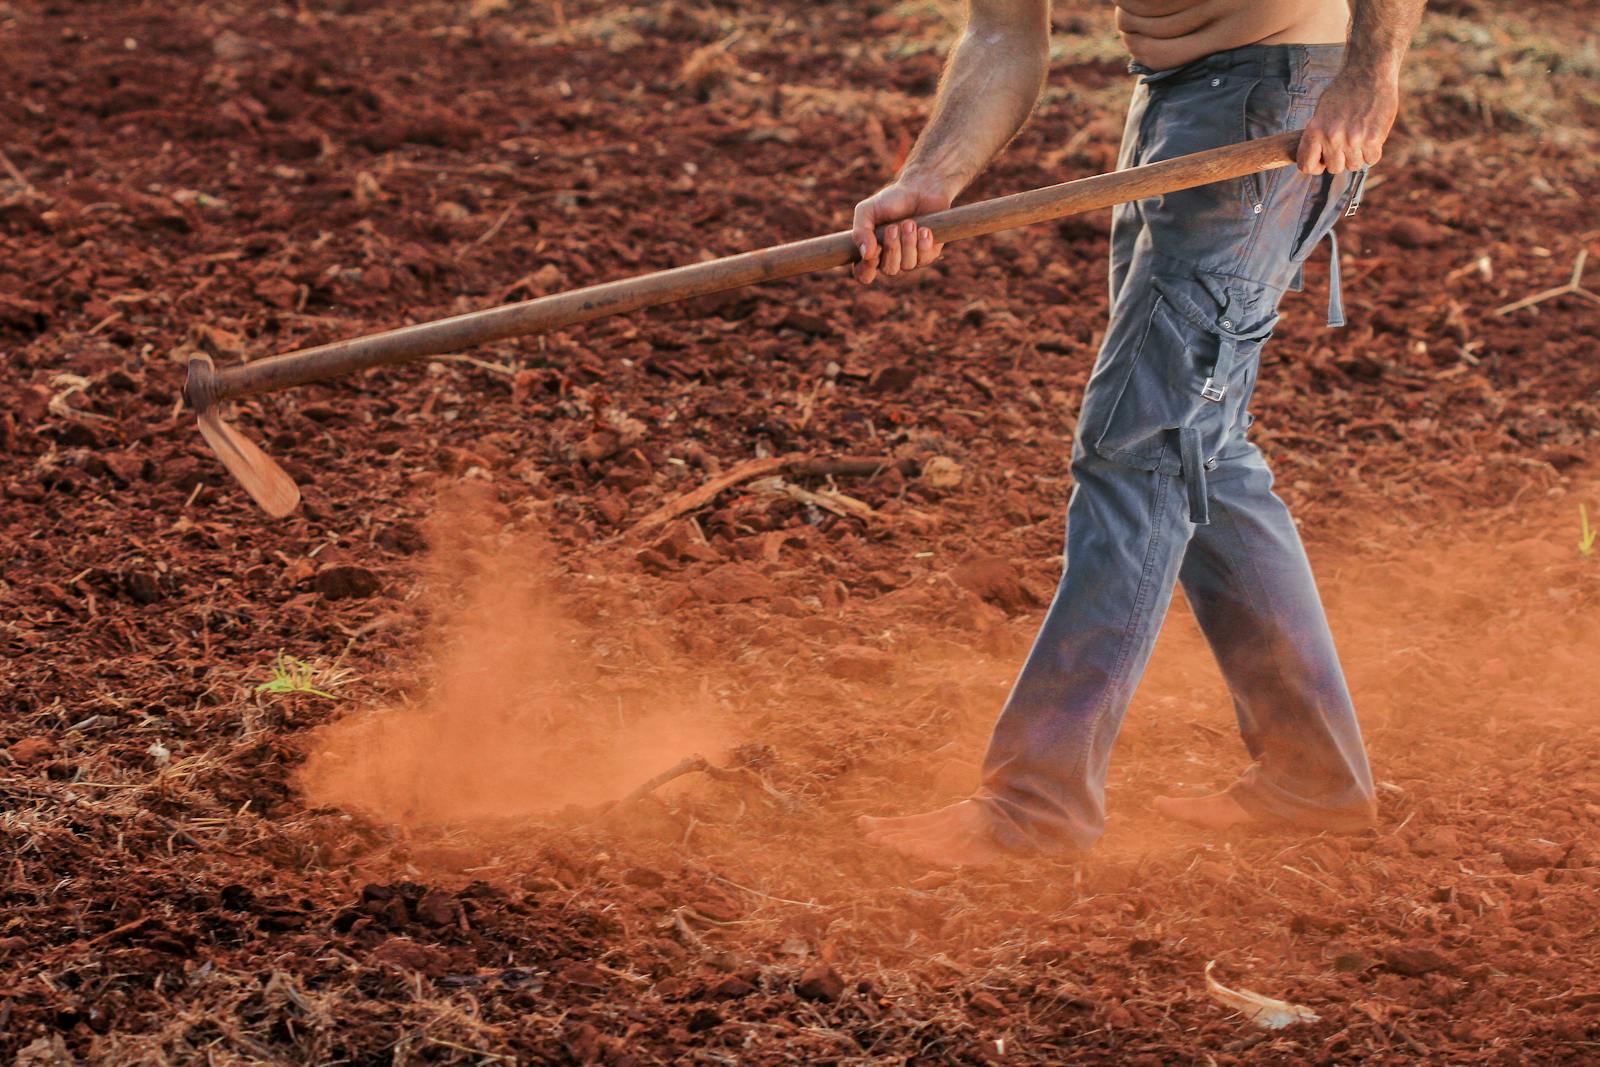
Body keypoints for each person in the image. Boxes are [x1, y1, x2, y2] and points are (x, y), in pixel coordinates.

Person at [854, 0, 1426, 866]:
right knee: (1201, 447)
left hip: (1279, 99)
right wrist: (932, 177)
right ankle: (1314, 776)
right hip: (1180, 99)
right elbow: (1005, 33)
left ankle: (1033, 808)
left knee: (1143, 447)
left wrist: (1371, 73)